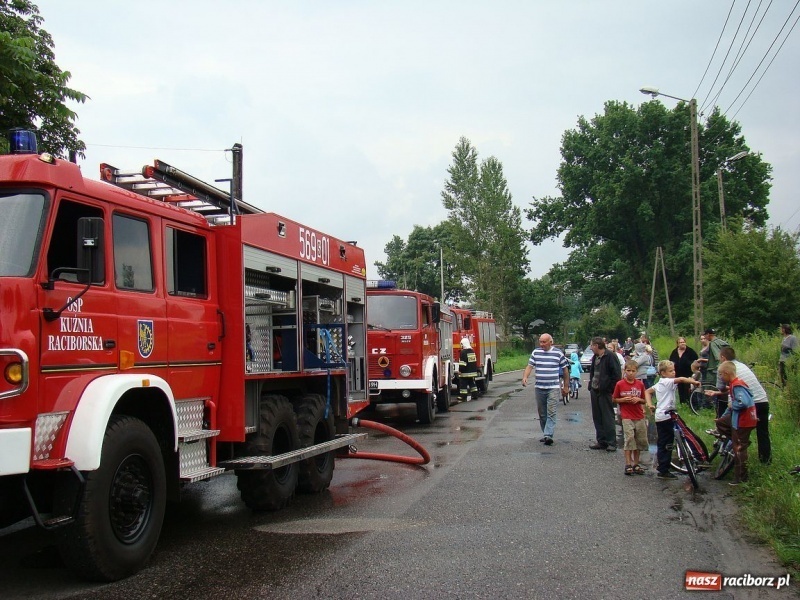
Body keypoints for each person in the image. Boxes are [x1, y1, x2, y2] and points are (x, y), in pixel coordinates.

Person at [704, 347, 771, 464]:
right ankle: (765, 461)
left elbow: (723, 387)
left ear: (723, 358)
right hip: (762, 400)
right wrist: (718, 393)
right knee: (763, 433)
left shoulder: (725, 369)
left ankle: (732, 446)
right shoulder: (742, 366)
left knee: (731, 425)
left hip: (747, 404)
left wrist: (718, 392)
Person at [644, 360, 700, 479]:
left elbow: (647, 391)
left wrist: (650, 405)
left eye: (674, 370)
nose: (674, 372)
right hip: (668, 416)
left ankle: (663, 468)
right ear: (663, 373)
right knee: (683, 434)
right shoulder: (667, 381)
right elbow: (680, 380)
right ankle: (698, 456)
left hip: (660, 416)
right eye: (671, 371)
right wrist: (693, 381)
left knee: (664, 442)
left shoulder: (659, 383)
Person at [714, 361, 758, 485]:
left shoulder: (737, 385)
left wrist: (732, 404)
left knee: (739, 450)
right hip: (739, 420)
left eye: (721, 374)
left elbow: (742, 402)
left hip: (742, 421)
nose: (721, 377)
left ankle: (741, 478)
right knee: (721, 423)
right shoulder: (736, 384)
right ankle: (738, 440)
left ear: (727, 373)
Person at [522, 333, 569, 446]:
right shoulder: (536, 352)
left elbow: (565, 370)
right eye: (540, 341)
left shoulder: (558, 353)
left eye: (544, 342)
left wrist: (566, 386)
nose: (541, 344)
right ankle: (546, 433)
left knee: (551, 412)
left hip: (553, 387)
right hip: (539, 387)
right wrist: (525, 377)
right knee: (542, 413)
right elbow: (530, 366)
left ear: (550, 342)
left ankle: (548, 435)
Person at [613, 360, 648, 475]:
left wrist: (638, 400)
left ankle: (636, 463)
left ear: (637, 372)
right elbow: (614, 399)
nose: (631, 373)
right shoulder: (620, 384)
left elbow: (644, 399)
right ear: (625, 371)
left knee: (639, 439)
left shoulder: (640, 384)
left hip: (638, 415)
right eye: (628, 371)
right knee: (629, 439)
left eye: (633, 371)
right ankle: (628, 463)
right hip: (626, 415)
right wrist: (623, 400)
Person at [588, 337, 622, 451]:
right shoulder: (595, 357)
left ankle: (611, 442)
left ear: (597, 346)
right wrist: (590, 386)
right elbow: (592, 372)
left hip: (606, 391)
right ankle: (601, 441)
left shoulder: (610, 356)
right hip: (595, 390)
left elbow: (616, 375)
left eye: (592, 345)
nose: (591, 348)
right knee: (597, 417)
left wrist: (612, 390)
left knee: (608, 417)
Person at [669, 336, 699, 404]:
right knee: (680, 389)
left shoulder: (690, 351)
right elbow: (670, 361)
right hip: (678, 374)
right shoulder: (674, 352)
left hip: (688, 374)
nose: (682, 344)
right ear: (677, 344)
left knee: (688, 389)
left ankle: (690, 403)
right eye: (680, 342)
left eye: (683, 342)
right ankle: (682, 403)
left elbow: (696, 362)